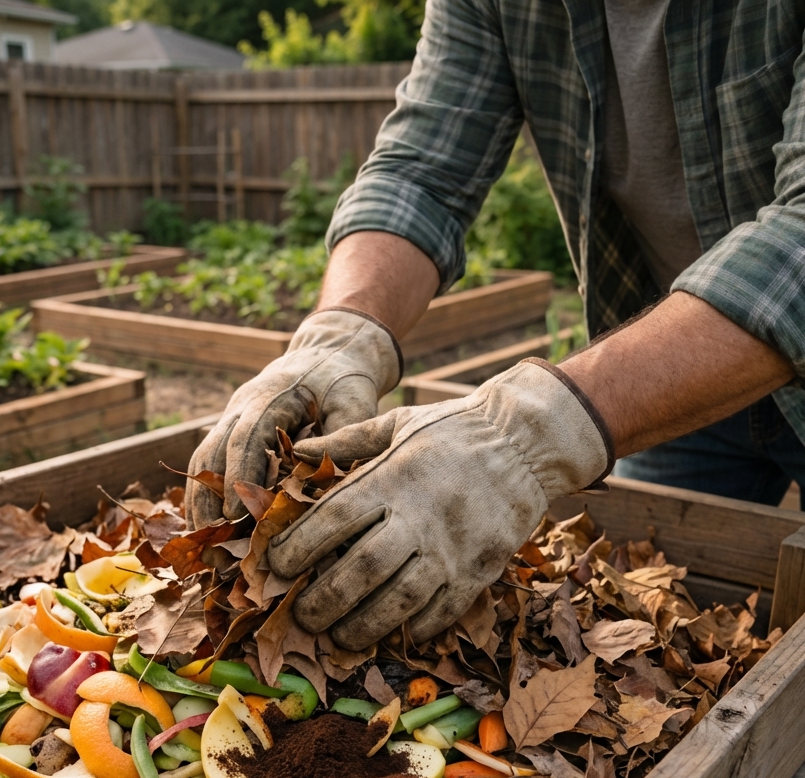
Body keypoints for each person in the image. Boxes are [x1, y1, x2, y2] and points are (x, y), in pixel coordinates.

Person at [186, 0, 805, 652]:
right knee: (666, 633)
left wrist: (529, 431)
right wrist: (342, 335)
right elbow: (421, 174)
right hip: (668, 371)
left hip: (713, 354)